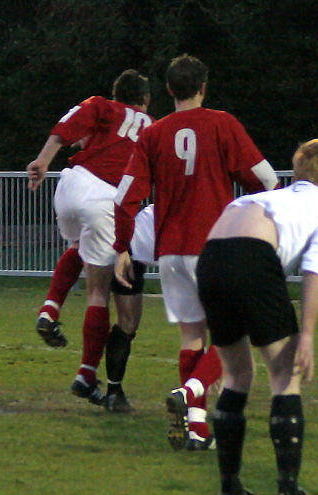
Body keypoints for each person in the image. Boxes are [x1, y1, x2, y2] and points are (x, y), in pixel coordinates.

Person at [114, 54, 279, 451]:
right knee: (233, 337)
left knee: (192, 338)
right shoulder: (222, 123)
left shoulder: (152, 135)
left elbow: (124, 199)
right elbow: (267, 179)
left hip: (170, 250)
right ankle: (189, 393)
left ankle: (197, 428)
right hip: (214, 247)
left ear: (169, 90)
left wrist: (122, 247)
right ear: (203, 86)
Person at [196, 138, 318, 495]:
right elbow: (315, 269)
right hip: (252, 256)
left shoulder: (271, 196)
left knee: (236, 376)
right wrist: (308, 334)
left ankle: (230, 490)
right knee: (285, 377)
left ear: (297, 172)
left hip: (211, 256)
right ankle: (289, 492)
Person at [27, 69, 153, 410]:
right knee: (98, 293)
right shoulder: (151, 127)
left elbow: (66, 128)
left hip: (71, 183)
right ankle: (86, 374)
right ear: (145, 100)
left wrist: (42, 160)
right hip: (106, 198)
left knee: (75, 248)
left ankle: (50, 308)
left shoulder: (103, 106)